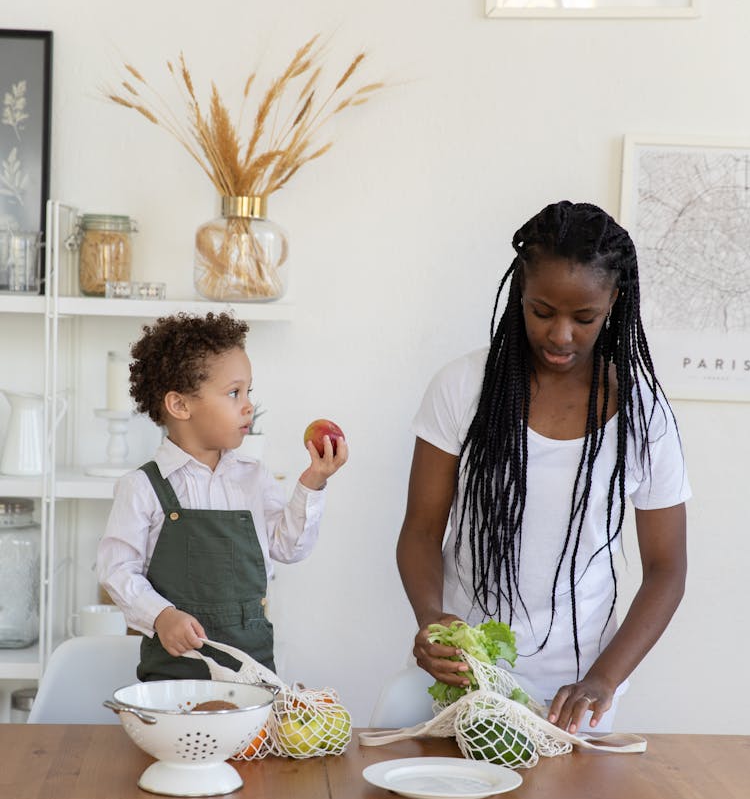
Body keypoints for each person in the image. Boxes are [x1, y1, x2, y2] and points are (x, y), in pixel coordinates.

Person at [397, 200, 690, 734]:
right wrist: (431, 620)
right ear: (520, 298)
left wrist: (603, 679)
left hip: (581, 693)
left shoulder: (646, 415)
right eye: (542, 311)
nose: (560, 336)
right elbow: (420, 530)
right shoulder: (463, 387)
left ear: (613, 303)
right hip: (467, 678)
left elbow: (668, 569)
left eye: (584, 318)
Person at [97, 311, 348, 682]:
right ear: (180, 406)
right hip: (173, 677)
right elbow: (116, 569)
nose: (248, 406)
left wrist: (313, 482)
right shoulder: (143, 487)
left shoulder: (254, 479)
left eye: (249, 391)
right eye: (234, 393)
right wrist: (161, 615)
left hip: (253, 673)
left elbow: (289, 547)